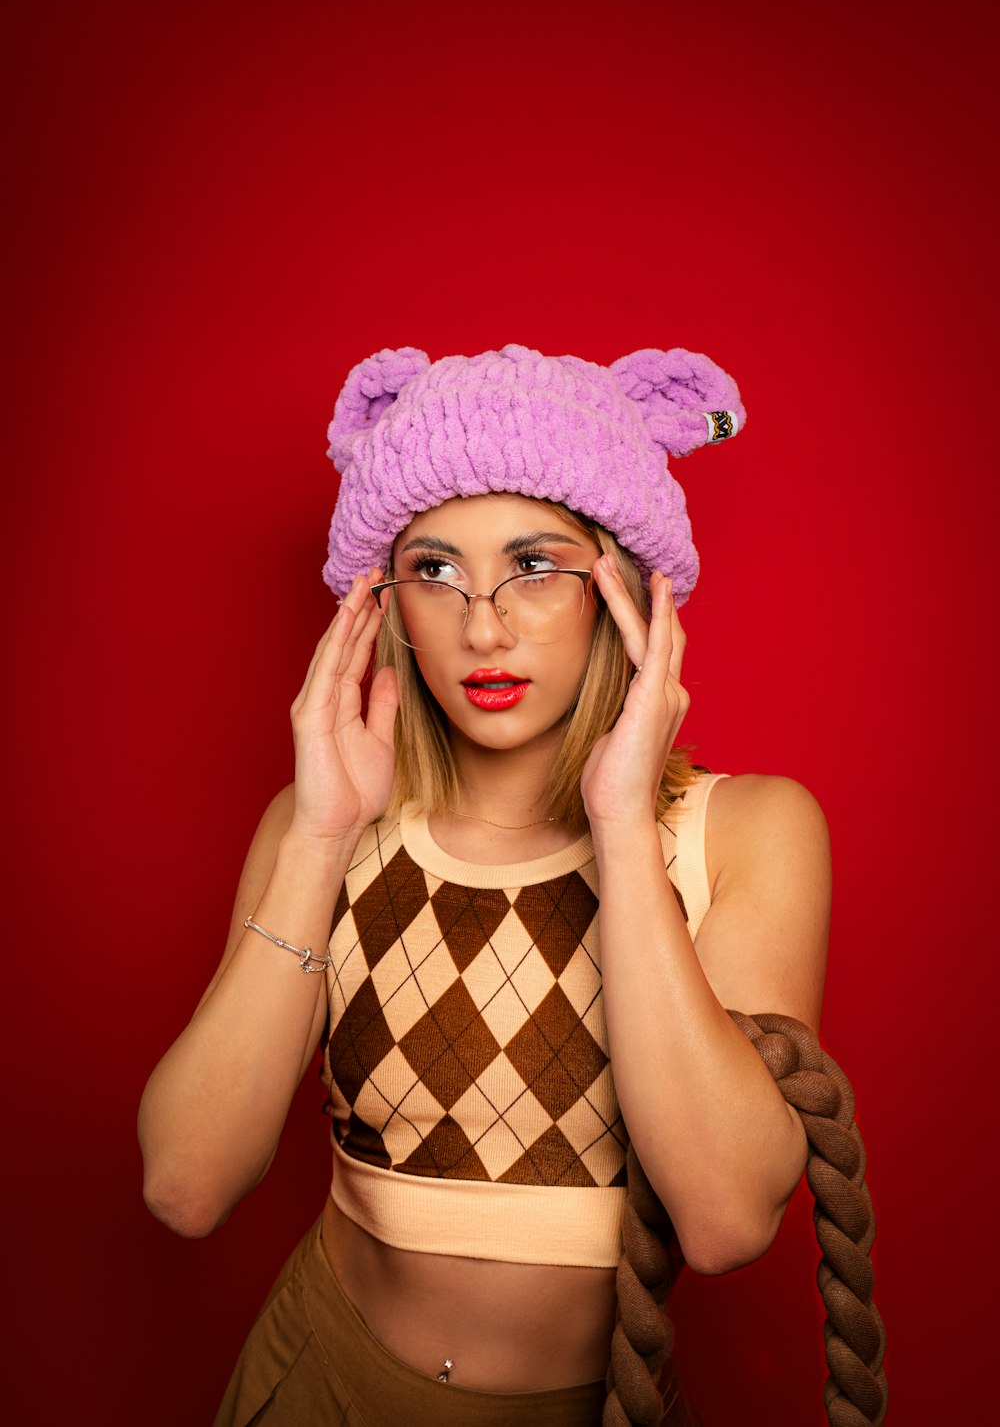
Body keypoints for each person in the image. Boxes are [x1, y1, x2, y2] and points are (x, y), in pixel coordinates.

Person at [138, 343, 831, 1427]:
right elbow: (185, 1187)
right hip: (313, 1382)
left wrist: (617, 820)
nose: (482, 625)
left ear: (623, 584)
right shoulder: (322, 827)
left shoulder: (746, 831)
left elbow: (728, 1220)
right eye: (434, 569)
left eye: (535, 564)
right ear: (383, 603)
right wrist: (320, 835)